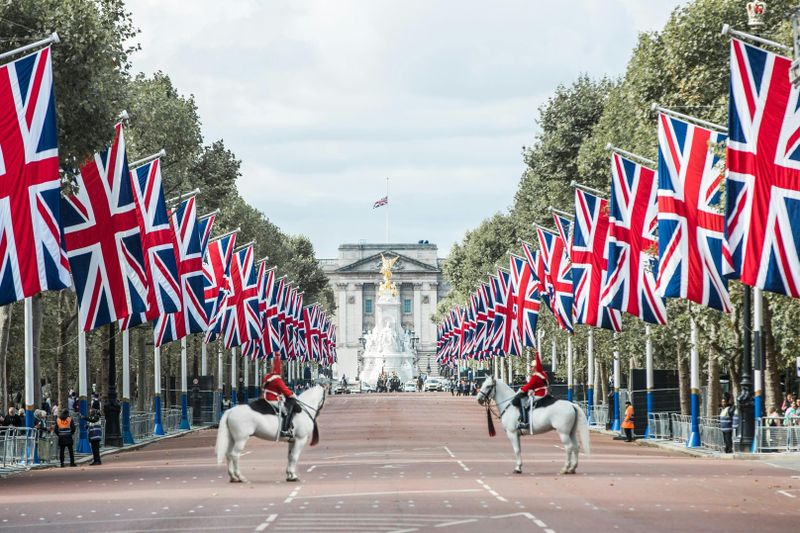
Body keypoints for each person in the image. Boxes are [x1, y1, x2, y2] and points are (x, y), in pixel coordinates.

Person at [262, 357, 301, 438]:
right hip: (272, 399)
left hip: (265, 397)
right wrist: (293, 395)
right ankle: (284, 430)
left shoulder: (267, 376)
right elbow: (285, 390)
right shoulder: (277, 379)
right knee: (286, 411)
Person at [512, 351, 549, 431]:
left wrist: (521, 390)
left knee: (525, 404)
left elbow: (529, 385)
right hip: (541, 392)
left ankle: (525, 422)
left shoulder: (536, 376)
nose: (531, 368)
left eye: (532, 367)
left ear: (535, 367)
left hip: (539, 394)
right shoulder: (543, 374)